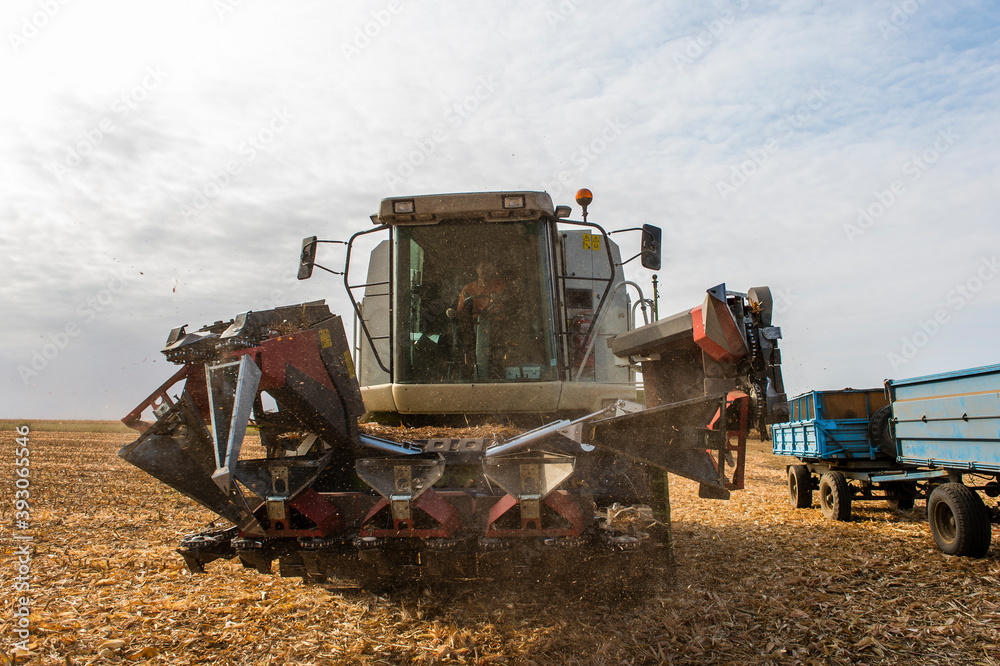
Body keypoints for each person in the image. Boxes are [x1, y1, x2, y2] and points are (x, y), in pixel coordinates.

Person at [447, 261, 506, 380]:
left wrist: (499, 299)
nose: (485, 271)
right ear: (476, 269)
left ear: (492, 270)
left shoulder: (498, 285)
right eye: (482, 268)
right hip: (472, 327)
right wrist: (450, 312)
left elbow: (505, 301)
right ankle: (469, 369)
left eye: (488, 268)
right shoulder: (468, 289)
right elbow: (461, 312)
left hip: (494, 325)